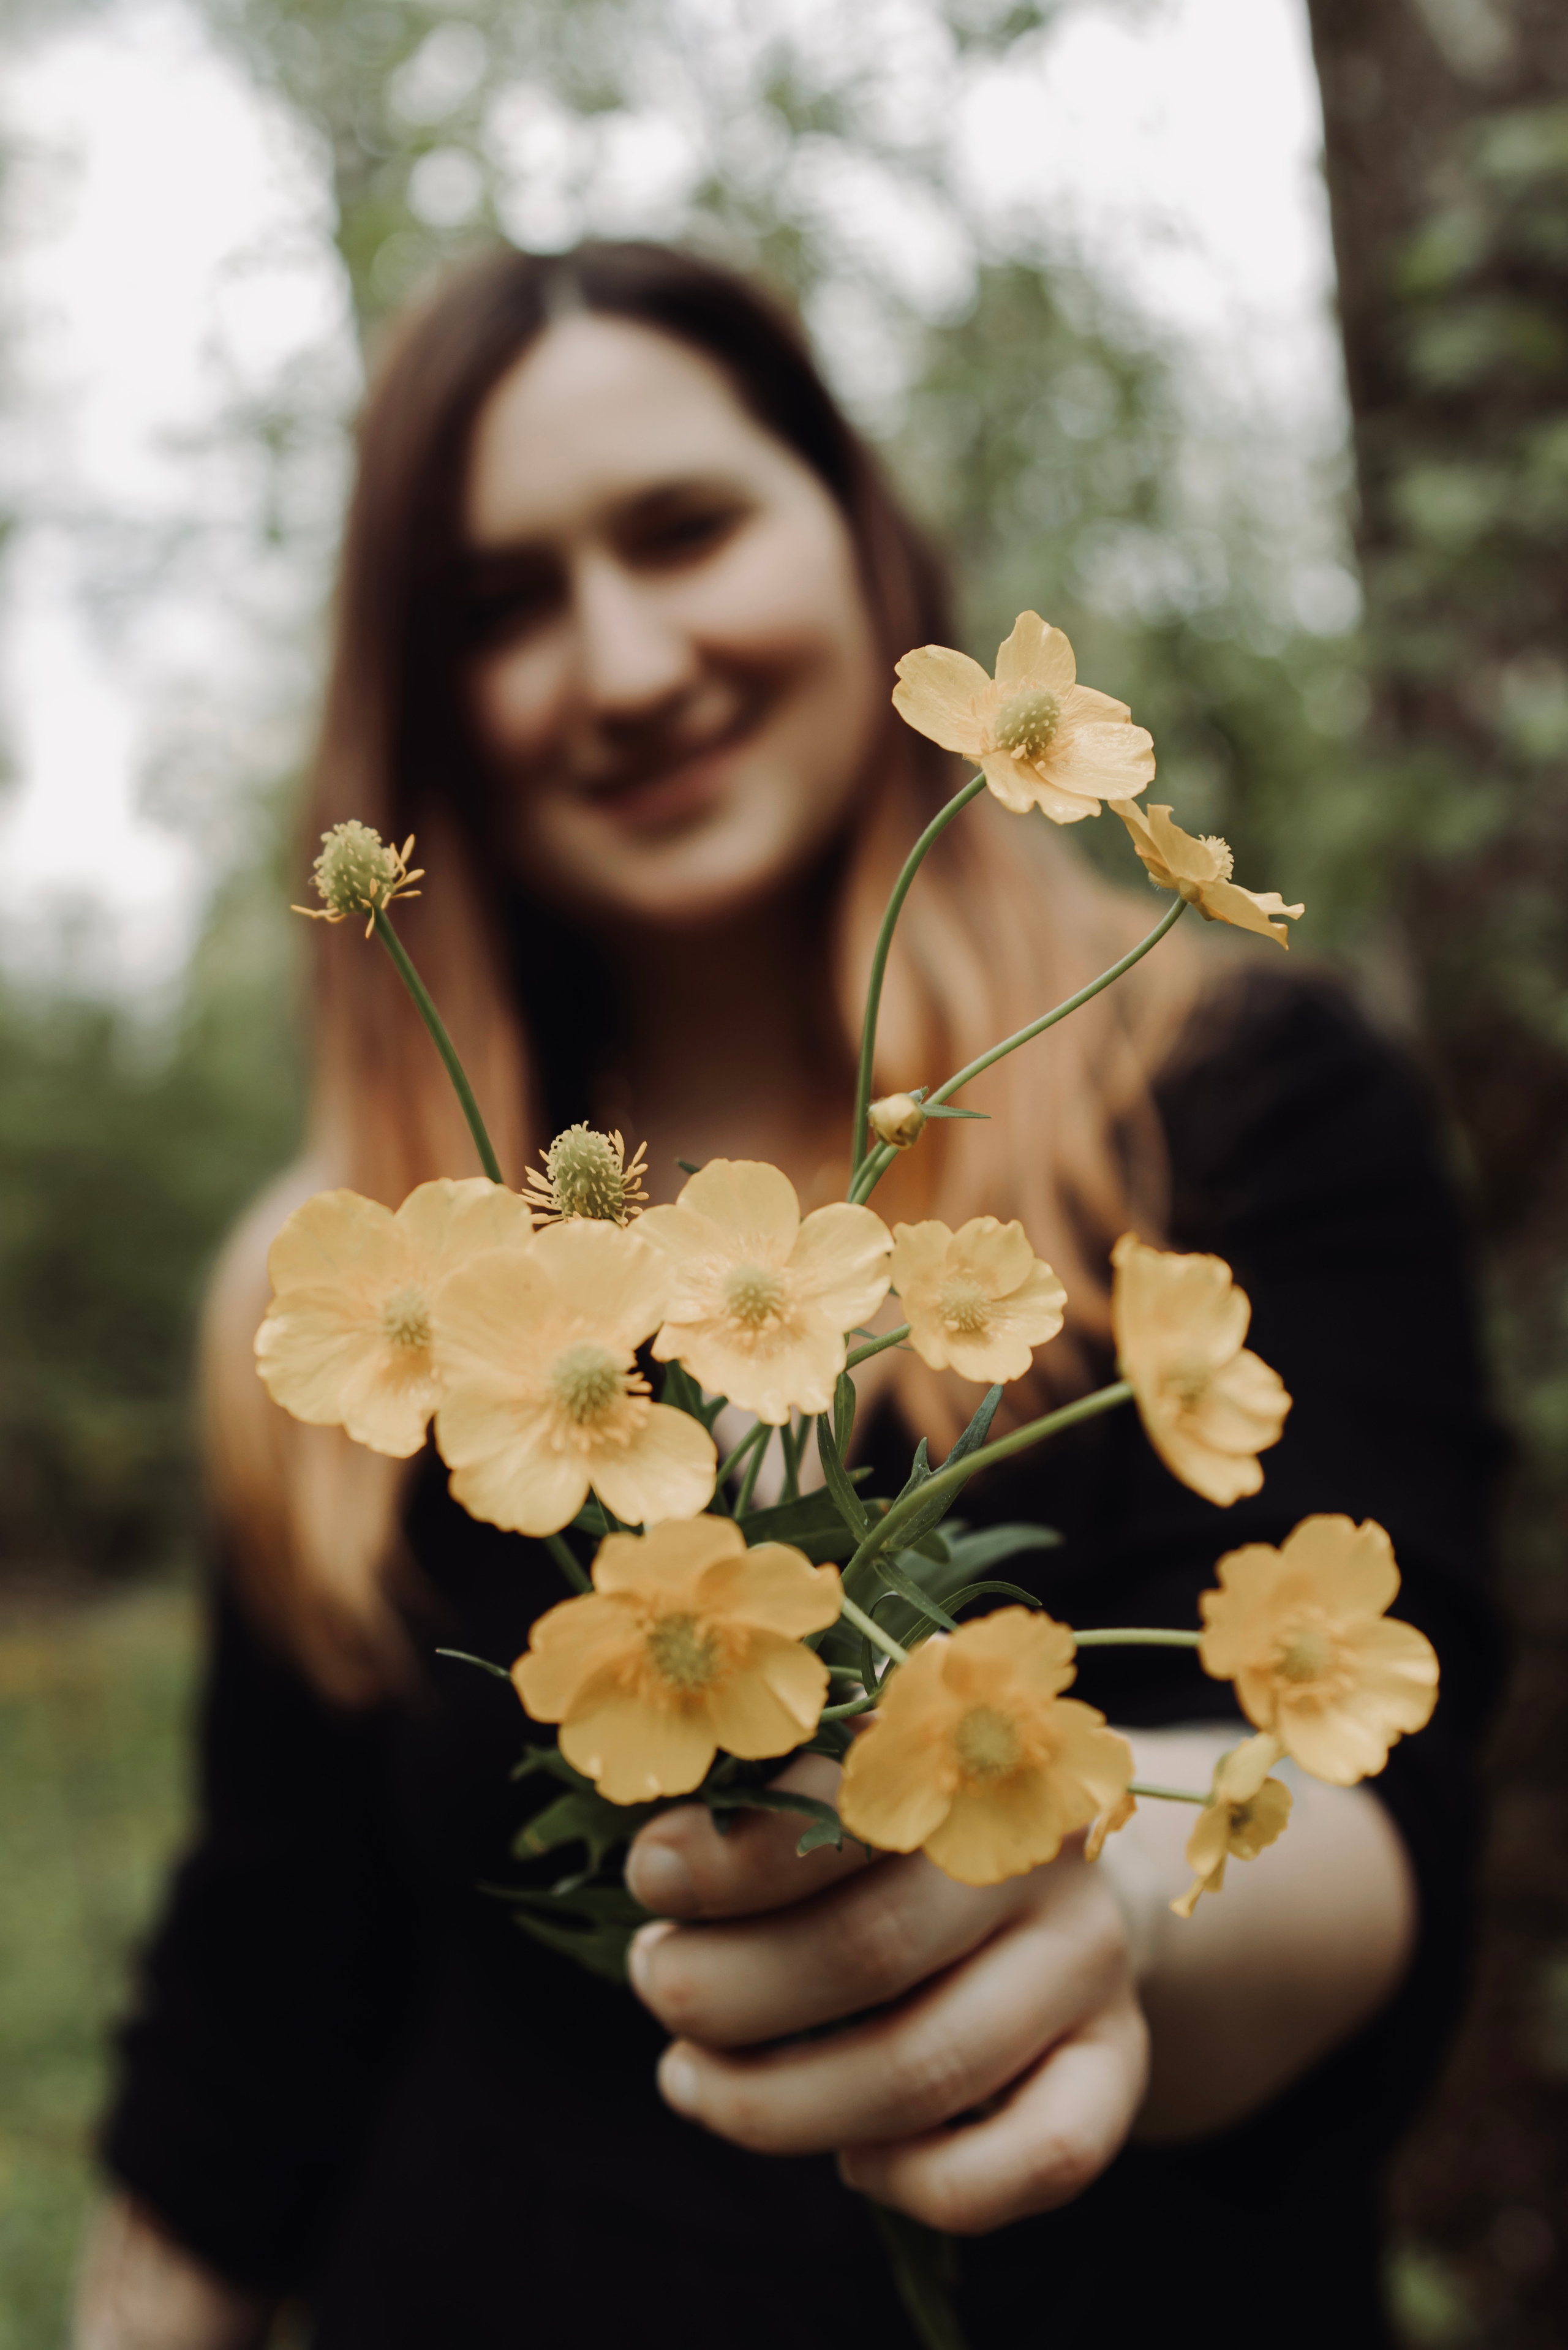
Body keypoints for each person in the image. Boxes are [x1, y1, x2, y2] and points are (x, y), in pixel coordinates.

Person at [74, 242, 1500, 2350]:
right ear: (425, 704)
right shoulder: (373, 1277)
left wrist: (1097, 1903)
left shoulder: (1241, 1102)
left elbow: (1383, 1833)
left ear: (858, 534)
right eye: (505, 601)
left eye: (685, 526)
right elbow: (258, 2016)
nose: (629, 661)